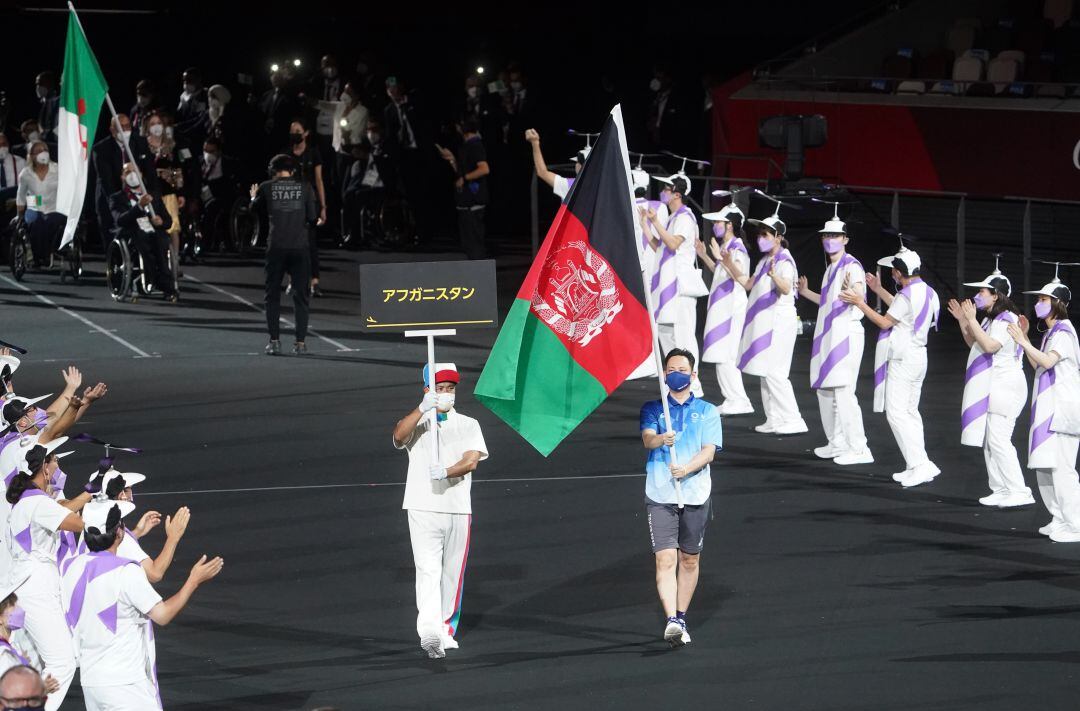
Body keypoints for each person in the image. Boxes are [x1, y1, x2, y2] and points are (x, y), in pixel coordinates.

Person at [62, 499, 224, 710]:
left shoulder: (70, 567)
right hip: (126, 684)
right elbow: (163, 614)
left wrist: (137, 533)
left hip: (92, 682)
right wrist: (193, 580)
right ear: (119, 533)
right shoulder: (126, 573)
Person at [392, 363, 488, 659]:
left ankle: (446, 629)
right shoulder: (417, 423)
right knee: (428, 569)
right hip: (422, 506)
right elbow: (398, 436)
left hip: (458, 508)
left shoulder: (469, 424)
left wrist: (446, 471)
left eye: (450, 389)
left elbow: (471, 461)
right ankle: (430, 630)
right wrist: (422, 409)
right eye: (440, 389)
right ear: (427, 390)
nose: (447, 394)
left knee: (452, 573)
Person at [6, 442, 102, 711]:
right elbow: (77, 523)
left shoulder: (24, 503)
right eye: (55, 462)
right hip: (37, 586)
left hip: (21, 586)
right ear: (45, 470)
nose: (59, 467)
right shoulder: (37, 503)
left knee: (32, 662)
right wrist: (105, 510)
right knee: (63, 661)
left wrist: (88, 494)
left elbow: (63, 509)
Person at [639, 349, 722, 647]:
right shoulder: (652, 408)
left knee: (689, 559)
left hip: (695, 493)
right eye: (671, 368)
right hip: (661, 492)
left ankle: (681, 615)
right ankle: (672, 621)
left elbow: (709, 451)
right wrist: (662, 439)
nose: (676, 373)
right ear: (664, 373)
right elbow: (648, 438)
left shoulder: (708, 411)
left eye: (682, 369)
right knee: (665, 557)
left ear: (693, 374)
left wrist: (685, 469)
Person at [840, 243, 941, 487]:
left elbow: (886, 322)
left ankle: (919, 465)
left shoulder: (907, 295)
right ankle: (919, 462)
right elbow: (901, 308)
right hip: (919, 357)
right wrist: (878, 289)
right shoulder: (928, 291)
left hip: (903, 358)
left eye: (893, 271)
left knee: (897, 414)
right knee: (910, 412)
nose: (892, 274)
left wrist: (859, 301)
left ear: (898, 272)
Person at [946, 269, 1033, 507]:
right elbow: (974, 343)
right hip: (994, 384)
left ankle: (1019, 490)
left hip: (1008, 385)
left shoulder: (1007, 319)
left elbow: (991, 346)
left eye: (982, 291)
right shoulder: (990, 319)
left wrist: (971, 320)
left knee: (999, 439)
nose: (977, 295)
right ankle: (1001, 488)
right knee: (990, 439)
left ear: (996, 295)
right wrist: (964, 320)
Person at [797, 213, 872, 464]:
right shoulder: (831, 269)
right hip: (827, 334)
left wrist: (855, 292)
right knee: (825, 391)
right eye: (827, 236)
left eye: (835, 236)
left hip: (846, 334)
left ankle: (859, 448)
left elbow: (858, 292)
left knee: (844, 392)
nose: (830, 240)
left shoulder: (852, 265)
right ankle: (836, 442)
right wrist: (806, 292)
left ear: (845, 239)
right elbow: (828, 302)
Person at [1009, 277, 1080, 541]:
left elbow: (1049, 363)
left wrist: (1024, 341)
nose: (1038, 303)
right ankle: (1059, 517)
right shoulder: (1052, 333)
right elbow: (1038, 364)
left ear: (1058, 304)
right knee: (1044, 466)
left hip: (1062, 411)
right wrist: (1025, 338)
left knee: (1062, 470)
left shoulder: (1063, 332)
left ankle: (1076, 523)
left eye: (1043, 299)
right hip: (1048, 410)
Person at [737, 210, 807, 434]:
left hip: (780, 321)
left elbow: (786, 288)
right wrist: (727, 263)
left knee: (776, 372)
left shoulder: (785, 260)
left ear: (778, 237)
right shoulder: (765, 260)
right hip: (764, 321)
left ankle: (794, 419)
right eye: (760, 235)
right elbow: (747, 285)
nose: (761, 239)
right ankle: (774, 418)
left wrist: (775, 275)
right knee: (765, 370)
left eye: (766, 234)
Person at [642, 174, 706, 397]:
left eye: (667, 189)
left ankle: (693, 385)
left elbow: (673, 243)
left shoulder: (686, 218)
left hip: (680, 287)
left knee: (684, 337)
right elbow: (660, 247)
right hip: (667, 287)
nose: (663, 192)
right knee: (666, 332)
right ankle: (677, 382)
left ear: (677, 194)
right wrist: (646, 225)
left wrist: (656, 221)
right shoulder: (671, 218)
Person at [250, 153, 319, 355]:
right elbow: (313, 219)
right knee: (301, 296)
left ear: (273, 170)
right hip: (299, 247)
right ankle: (300, 343)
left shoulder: (266, 187)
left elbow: (253, 211)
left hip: (276, 247)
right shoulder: (306, 187)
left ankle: (274, 341)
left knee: (272, 295)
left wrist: (253, 198)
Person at [698, 204, 754, 415]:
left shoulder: (738, 249)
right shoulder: (728, 249)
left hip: (731, 307)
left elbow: (740, 277)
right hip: (721, 305)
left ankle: (738, 400)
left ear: (730, 225)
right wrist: (705, 256)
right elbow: (720, 272)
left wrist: (722, 258)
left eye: (718, 222)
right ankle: (733, 398)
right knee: (720, 354)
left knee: (727, 355)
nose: (715, 226)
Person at [109, 162, 178, 302]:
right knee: (142, 239)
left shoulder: (154, 195)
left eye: (135, 171)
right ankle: (158, 280)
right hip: (132, 232)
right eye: (127, 172)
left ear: (141, 174)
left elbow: (168, 221)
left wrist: (161, 222)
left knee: (161, 240)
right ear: (122, 177)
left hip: (154, 231)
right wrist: (139, 206)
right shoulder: (116, 198)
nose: (132, 175)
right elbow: (120, 220)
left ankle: (162, 280)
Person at [285, 118, 327, 296]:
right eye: (292, 131)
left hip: (309, 202)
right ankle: (292, 280)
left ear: (306, 133)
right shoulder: (286, 154)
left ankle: (314, 281)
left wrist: (323, 206)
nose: (294, 134)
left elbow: (319, 180)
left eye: (298, 130)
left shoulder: (313, 153)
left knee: (310, 243)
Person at [439, 116, 490, 260]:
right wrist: (452, 160)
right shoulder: (466, 146)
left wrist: (465, 179)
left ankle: (480, 272)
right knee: (468, 242)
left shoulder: (476, 145)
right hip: (465, 202)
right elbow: (462, 170)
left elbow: (484, 169)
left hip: (474, 201)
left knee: (475, 242)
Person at [15, 141, 65, 268]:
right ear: (31, 156)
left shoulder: (58, 169)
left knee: (50, 221)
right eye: (38, 151)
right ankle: (38, 256)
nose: (43, 153)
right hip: (35, 203)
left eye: (45, 149)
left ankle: (48, 253)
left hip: (54, 205)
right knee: (35, 221)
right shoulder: (25, 174)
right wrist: (19, 215)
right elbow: (21, 196)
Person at [524, 128, 587, 201]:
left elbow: (542, 172)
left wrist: (535, 142)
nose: (576, 165)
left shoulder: (570, 185)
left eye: (577, 162)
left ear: (579, 166)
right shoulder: (601, 186)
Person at [0, 133, 26, 202]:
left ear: (8, 144)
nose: (1, 147)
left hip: (16, 203)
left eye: (4, 144)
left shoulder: (21, 162)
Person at [34, 72, 59, 142]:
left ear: (50, 83)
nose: (38, 87)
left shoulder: (61, 102)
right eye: (37, 84)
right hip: (44, 143)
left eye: (41, 83)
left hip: (58, 142)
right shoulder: (40, 104)